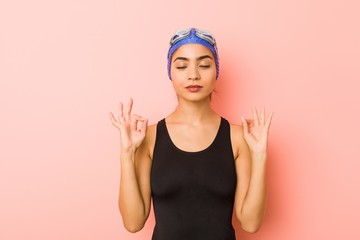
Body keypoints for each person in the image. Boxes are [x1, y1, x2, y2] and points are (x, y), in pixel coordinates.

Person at [109, 28, 273, 240]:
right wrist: (127, 153)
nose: (193, 74)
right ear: (170, 72)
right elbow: (133, 223)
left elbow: (250, 223)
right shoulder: (148, 137)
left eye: (204, 65)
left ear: (216, 71)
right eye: (182, 65)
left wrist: (259, 154)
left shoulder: (238, 138)